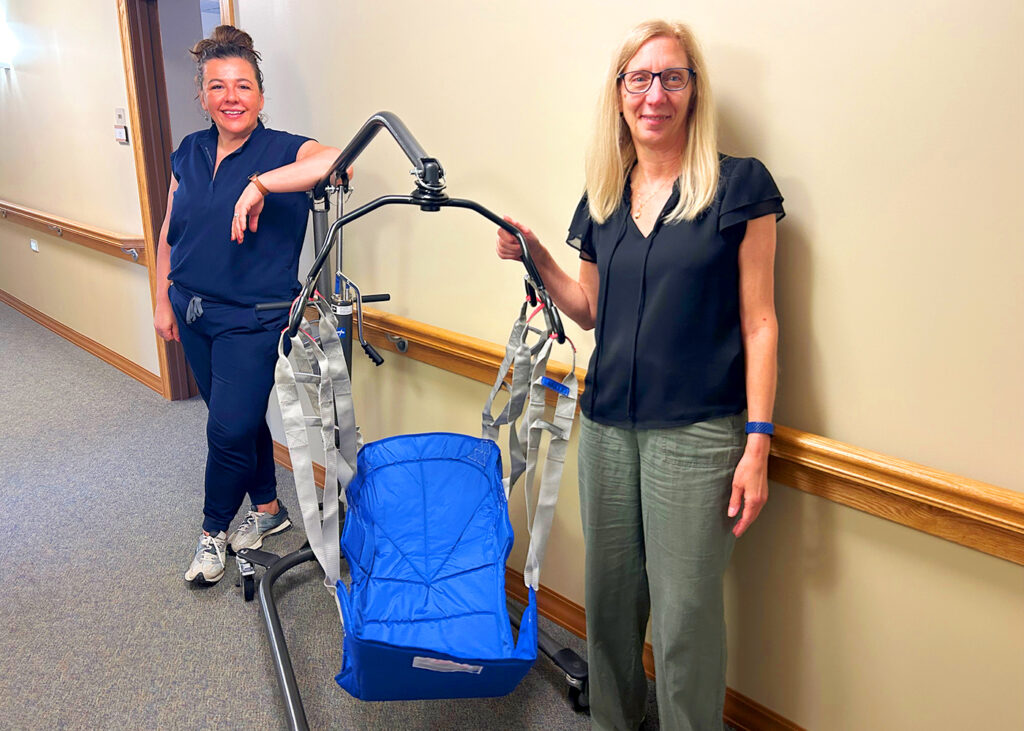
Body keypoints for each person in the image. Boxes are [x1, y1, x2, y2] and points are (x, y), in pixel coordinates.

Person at [496, 19, 784, 731]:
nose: (655, 94)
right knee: (610, 606)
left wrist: (758, 443)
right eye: (640, 79)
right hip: (606, 427)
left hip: (697, 434)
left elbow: (760, 323)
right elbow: (590, 309)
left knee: (685, 619)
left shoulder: (739, 186)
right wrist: (537, 256)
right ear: (619, 93)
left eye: (672, 77)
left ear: (693, 90)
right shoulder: (604, 196)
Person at [153, 26, 341, 588]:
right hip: (192, 310)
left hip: (252, 318)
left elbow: (337, 163)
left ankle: (213, 529)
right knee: (234, 419)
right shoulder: (189, 151)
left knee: (228, 430)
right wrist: (162, 298)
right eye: (217, 86)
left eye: (242, 85)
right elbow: (170, 230)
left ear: (260, 95)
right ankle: (268, 509)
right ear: (202, 96)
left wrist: (260, 185)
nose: (230, 97)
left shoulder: (284, 148)